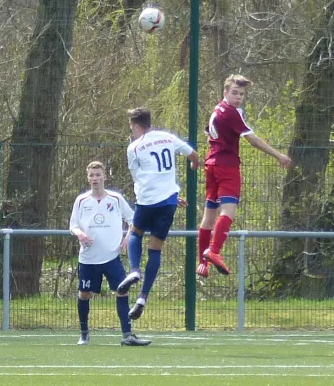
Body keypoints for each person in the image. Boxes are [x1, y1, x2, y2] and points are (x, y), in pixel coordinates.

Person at [196, 75, 292, 278]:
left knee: (208, 216)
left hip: (211, 164)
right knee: (228, 212)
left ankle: (203, 263)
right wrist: (278, 155)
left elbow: (209, 133)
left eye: (242, 94)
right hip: (227, 167)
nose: (238, 97)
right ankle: (213, 251)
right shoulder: (231, 113)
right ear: (225, 92)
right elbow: (253, 140)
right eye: (234, 93)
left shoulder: (217, 110)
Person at [117, 107, 199, 320]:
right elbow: (193, 155)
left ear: (135, 126)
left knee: (135, 233)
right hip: (169, 201)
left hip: (147, 200)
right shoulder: (167, 137)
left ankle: (134, 269)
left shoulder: (134, 147)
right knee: (156, 249)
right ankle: (142, 297)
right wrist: (193, 165)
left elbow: (138, 177)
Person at [69, 161, 151, 346]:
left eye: (98, 175)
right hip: (89, 259)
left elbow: (133, 220)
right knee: (84, 294)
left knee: (122, 292)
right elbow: (73, 225)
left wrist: (127, 238)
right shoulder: (81, 201)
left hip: (111, 258)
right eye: (91, 175)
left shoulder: (115, 198)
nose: (95, 179)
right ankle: (84, 333)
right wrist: (80, 233)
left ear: (104, 176)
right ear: (87, 178)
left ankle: (127, 335)